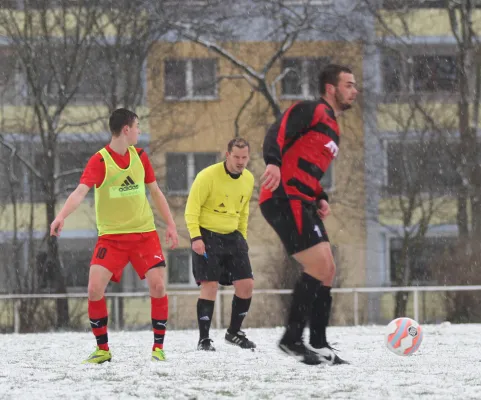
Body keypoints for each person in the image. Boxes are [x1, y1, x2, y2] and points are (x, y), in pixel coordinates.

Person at [50, 108, 179, 364]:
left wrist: (171, 225)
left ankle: (158, 348)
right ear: (126, 130)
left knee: (158, 285)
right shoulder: (100, 161)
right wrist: (61, 215)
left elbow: (155, 193)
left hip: (144, 234)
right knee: (94, 289)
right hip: (111, 238)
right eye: (137, 126)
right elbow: (79, 192)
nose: (140, 131)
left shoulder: (140, 157)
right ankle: (103, 349)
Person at [259, 64, 358, 365]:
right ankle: (291, 339)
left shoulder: (334, 128)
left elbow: (306, 164)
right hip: (283, 197)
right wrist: (272, 162)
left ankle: (319, 342)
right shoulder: (312, 110)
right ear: (331, 88)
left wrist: (320, 196)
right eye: (349, 85)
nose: (355, 90)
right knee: (318, 264)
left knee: (327, 268)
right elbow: (278, 131)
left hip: (304, 199)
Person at [184, 138, 256, 351]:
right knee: (210, 285)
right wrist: (196, 238)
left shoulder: (249, 179)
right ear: (227, 155)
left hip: (233, 236)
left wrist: (242, 237)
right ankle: (204, 339)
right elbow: (191, 209)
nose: (241, 161)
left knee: (246, 284)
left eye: (244, 157)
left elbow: (243, 211)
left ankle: (234, 332)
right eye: (236, 157)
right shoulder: (207, 176)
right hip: (207, 236)